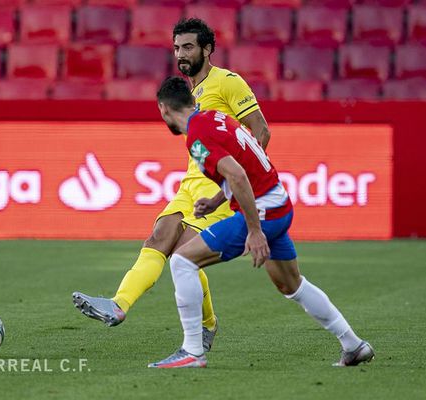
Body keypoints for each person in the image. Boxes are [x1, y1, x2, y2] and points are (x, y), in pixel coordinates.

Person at [71, 18, 271, 352]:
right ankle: (118, 305)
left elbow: (261, 131)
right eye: (177, 47)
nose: (181, 53)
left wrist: (239, 179)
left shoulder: (228, 83)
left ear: (207, 49)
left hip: (214, 189)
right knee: (158, 238)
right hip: (189, 184)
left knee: (183, 256)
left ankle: (205, 327)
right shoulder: (187, 91)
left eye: (189, 46)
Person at [148, 76, 375, 369]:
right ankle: (353, 345)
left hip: (262, 211)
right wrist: (217, 201)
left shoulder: (196, 138)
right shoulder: (215, 117)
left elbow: (238, 176)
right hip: (278, 202)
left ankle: (193, 351)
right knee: (291, 284)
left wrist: (254, 231)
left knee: (181, 262)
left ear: (164, 109)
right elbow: (240, 167)